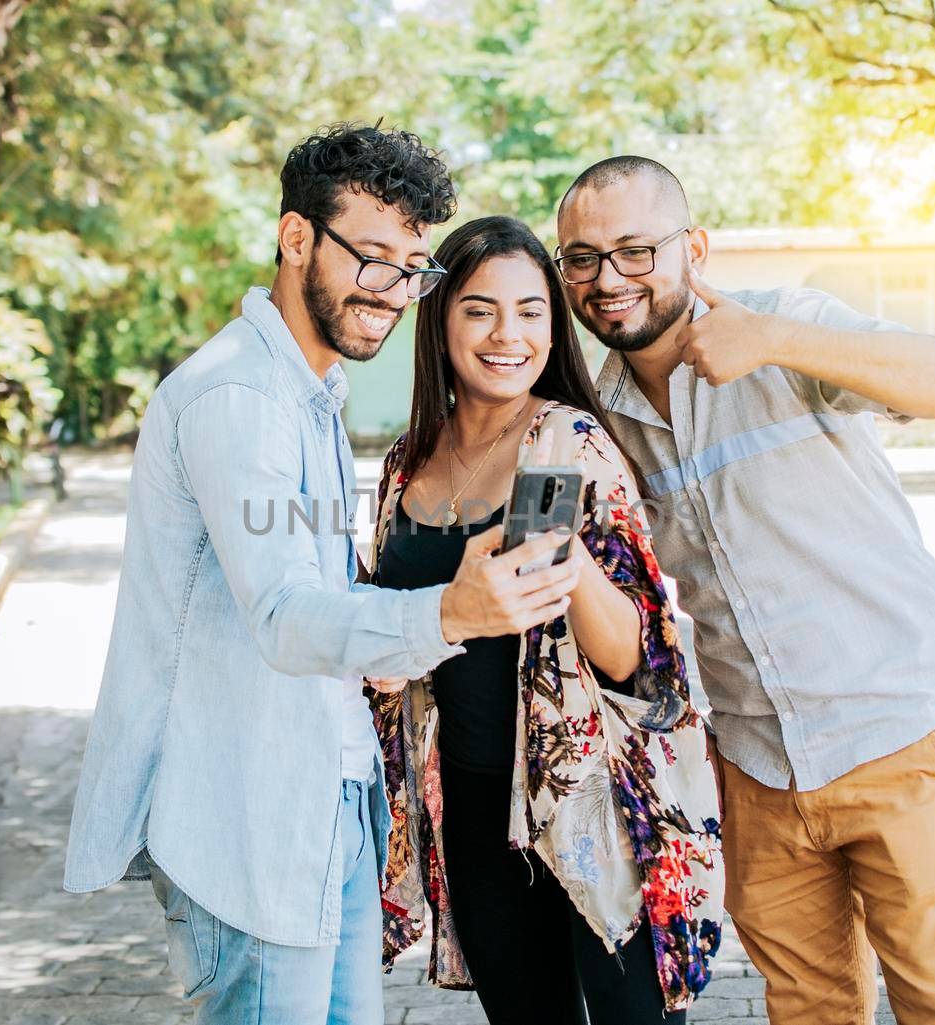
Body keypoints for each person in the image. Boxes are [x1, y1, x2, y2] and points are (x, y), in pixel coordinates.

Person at [61, 124, 579, 1025]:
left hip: (321, 800)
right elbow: (286, 615)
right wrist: (447, 613)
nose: (391, 290)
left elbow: (313, 592)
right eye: (370, 257)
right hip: (250, 815)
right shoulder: (243, 400)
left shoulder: (309, 396)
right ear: (296, 237)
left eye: (410, 267)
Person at [554, 156, 935, 1025]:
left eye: (636, 250)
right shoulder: (600, 411)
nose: (608, 279)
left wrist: (773, 341)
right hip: (757, 766)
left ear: (694, 247)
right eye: (583, 257)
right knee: (808, 1012)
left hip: (899, 730)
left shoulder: (786, 324)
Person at [366, 214, 723, 1025]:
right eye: (480, 309)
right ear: (441, 318)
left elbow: (636, 657)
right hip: (472, 804)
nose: (508, 334)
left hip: (587, 803)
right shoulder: (406, 461)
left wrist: (562, 548)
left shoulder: (568, 443)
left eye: (532, 310)